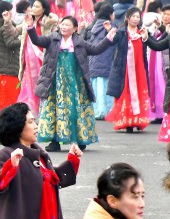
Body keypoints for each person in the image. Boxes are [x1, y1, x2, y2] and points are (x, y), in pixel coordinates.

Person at [26, 14, 110, 150]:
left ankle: (81, 139)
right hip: (55, 84)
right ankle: (54, 141)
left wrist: (109, 36)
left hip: (76, 84)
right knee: (54, 110)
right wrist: (31, 27)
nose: (64, 27)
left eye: (67, 25)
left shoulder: (80, 42)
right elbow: (37, 40)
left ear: (75, 29)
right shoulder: (52, 39)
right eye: (62, 24)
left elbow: (96, 49)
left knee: (76, 110)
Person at [103, 6, 155, 133]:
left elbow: (153, 43)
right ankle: (127, 121)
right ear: (127, 18)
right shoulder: (121, 32)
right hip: (124, 69)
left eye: (138, 17)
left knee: (139, 92)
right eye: (133, 16)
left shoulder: (142, 32)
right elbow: (112, 41)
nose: (136, 19)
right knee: (125, 93)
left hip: (139, 68)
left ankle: (138, 120)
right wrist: (108, 30)